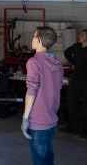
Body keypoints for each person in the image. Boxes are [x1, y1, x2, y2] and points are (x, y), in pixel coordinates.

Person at [21, 27, 63, 165]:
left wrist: (25, 118)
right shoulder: (57, 62)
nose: (32, 39)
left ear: (40, 40)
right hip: (51, 117)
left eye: (34, 36)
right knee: (48, 156)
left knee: (40, 159)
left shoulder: (34, 62)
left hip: (39, 120)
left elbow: (31, 92)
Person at [64, 29, 87, 137]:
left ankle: (84, 130)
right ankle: (72, 126)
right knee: (71, 102)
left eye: (82, 35)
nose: (80, 36)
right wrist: (74, 63)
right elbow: (67, 52)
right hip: (75, 78)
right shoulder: (76, 46)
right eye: (80, 34)